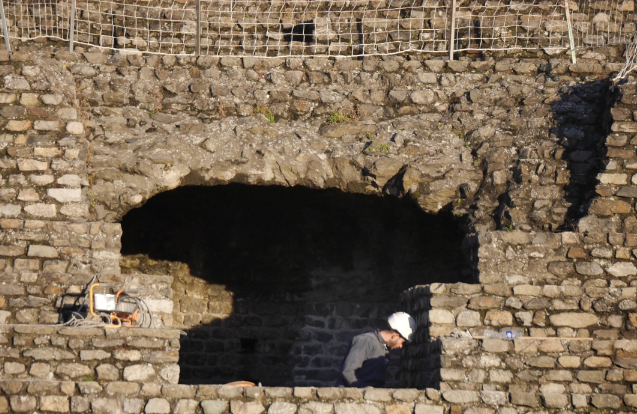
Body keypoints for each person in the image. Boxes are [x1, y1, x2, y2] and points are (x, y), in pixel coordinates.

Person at [338, 312, 416, 388]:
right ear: (395, 336)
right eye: (402, 342)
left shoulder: (384, 350)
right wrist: (365, 392)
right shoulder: (366, 341)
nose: (401, 346)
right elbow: (348, 371)